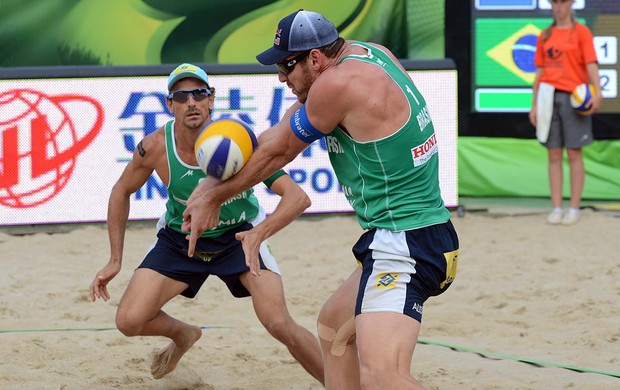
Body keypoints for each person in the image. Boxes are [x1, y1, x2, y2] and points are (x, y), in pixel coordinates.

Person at [182, 10, 459, 390]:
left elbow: (279, 154)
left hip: (405, 241)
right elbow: (277, 136)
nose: (281, 77)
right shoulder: (369, 54)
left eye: (286, 65)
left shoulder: (336, 85)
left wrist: (215, 199)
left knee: (383, 377)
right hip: (415, 232)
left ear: (315, 58)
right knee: (333, 328)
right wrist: (208, 187)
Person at [89, 63, 324, 384]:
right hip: (181, 239)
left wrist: (259, 233)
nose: (192, 102)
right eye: (182, 96)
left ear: (211, 100)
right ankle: (184, 334)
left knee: (279, 324)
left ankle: (339, 383)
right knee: (129, 321)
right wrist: (115, 259)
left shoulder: (238, 142)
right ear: (169, 105)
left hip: (238, 237)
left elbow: (297, 198)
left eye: (199, 93)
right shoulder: (155, 147)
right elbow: (121, 190)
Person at [529, 0, 602, 225]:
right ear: (551, 5)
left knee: (574, 153)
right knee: (553, 153)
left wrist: (598, 92)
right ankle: (557, 206)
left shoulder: (581, 32)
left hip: (575, 97)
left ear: (570, 4)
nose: (559, 7)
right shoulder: (545, 34)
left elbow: (591, 65)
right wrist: (533, 105)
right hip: (548, 96)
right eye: (555, 3)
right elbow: (539, 72)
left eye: (563, 2)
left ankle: (574, 207)